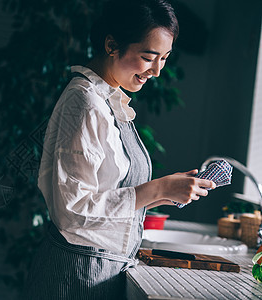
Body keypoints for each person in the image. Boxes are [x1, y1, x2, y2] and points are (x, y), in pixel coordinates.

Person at [22, 0, 216, 299]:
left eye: (164, 58)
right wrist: (157, 188)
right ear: (112, 44)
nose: (157, 71)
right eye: (148, 57)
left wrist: (168, 191)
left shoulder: (108, 100)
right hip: (75, 275)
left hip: (98, 270)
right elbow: (72, 211)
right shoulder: (85, 103)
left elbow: (104, 194)